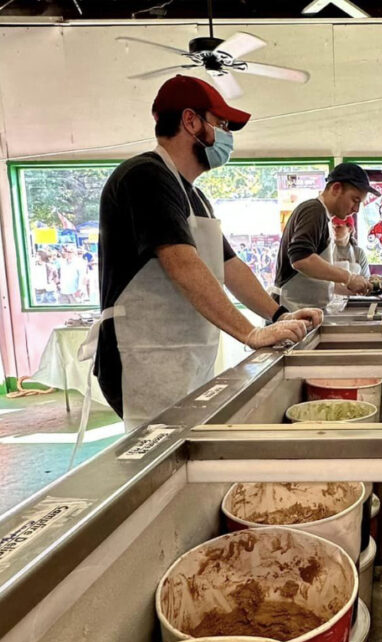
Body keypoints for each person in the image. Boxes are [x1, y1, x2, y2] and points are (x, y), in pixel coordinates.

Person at [90, 75, 322, 429]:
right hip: (145, 352)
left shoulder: (193, 195)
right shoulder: (146, 177)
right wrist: (249, 333)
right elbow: (181, 262)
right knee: (161, 450)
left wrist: (278, 316)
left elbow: (229, 266)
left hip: (182, 353)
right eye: (222, 124)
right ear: (191, 121)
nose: (227, 135)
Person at [273, 163, 377, 310]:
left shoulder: (325, 218)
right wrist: (349, 277)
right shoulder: (314, 211)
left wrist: (355, 286)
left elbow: (319, 278)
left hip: (305, 309)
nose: (356, 209)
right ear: (336, 188)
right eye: (355, 200)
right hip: (290, 309)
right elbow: (301, 259)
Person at [331, 214, 371, 286]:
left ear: (350, 229)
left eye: (338, 227)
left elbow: (366, 280)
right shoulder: (327, 251)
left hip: (354, 296)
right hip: (331, 295)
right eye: (332, 227)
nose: (334, 230)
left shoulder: (359, 253)